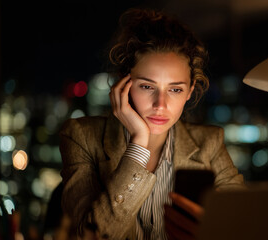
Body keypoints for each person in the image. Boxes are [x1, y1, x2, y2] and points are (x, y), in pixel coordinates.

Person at [59, 7, 244, 240]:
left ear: (190, 92)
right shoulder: (81, 136)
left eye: (175, 89)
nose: (161, 104)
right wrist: (138, 145)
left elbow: (244, 225)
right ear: (123, 84)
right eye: (147, 86)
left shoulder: (210, 143)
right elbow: (88, 236)